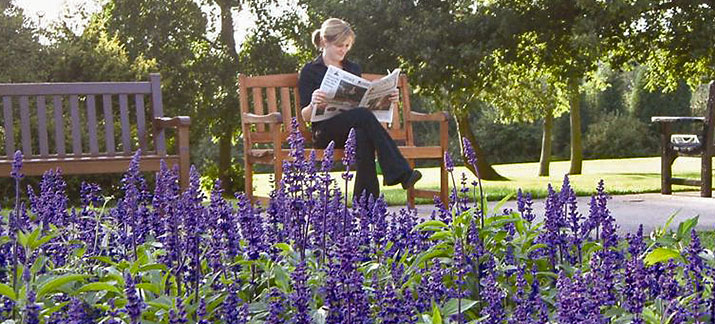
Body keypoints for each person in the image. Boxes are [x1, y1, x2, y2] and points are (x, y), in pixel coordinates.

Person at [299, 18, 421, 200]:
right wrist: (313, 103)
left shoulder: (352, 68)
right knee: (362, 117)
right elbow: (305, 116)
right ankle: (399, 171)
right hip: (325, 133)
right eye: (339, 46)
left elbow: (361, 102)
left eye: (347, 46)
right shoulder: (310, 70)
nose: (344, 50)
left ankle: (365, 204)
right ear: (325, 42)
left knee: (362, 135)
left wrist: (387, 98)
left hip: (352, 128)